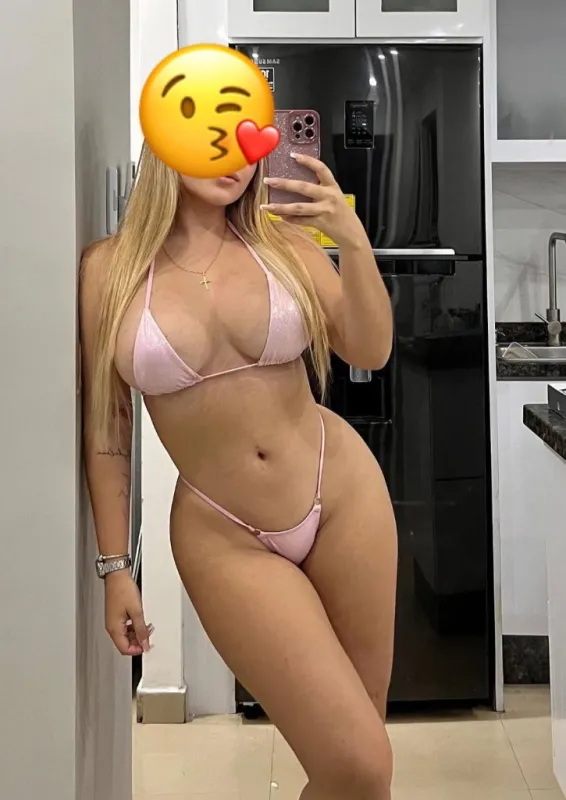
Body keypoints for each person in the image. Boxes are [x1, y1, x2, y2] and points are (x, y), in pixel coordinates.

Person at [80, 143, 397, 800]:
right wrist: (115, 568)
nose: (236, 157)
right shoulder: (108, 269)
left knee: (362, 766)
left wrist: (353, 241)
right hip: (222, 532)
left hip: (340, 494)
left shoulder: (283, 244)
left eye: (248, 137)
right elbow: (108, 429)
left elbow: (370, 349)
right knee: (358, 763)